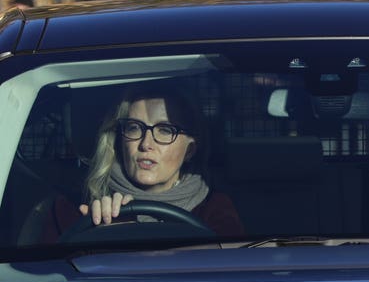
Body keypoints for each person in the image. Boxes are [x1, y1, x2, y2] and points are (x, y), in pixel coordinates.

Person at [43, 84, 244, 240]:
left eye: (165, 130)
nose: (146, 144)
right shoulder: (73, 209)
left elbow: (227, 278)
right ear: (120, 138)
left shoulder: (214, 210)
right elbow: (45, 280)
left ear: (190, 149)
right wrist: (97, 238)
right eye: (134, 128)